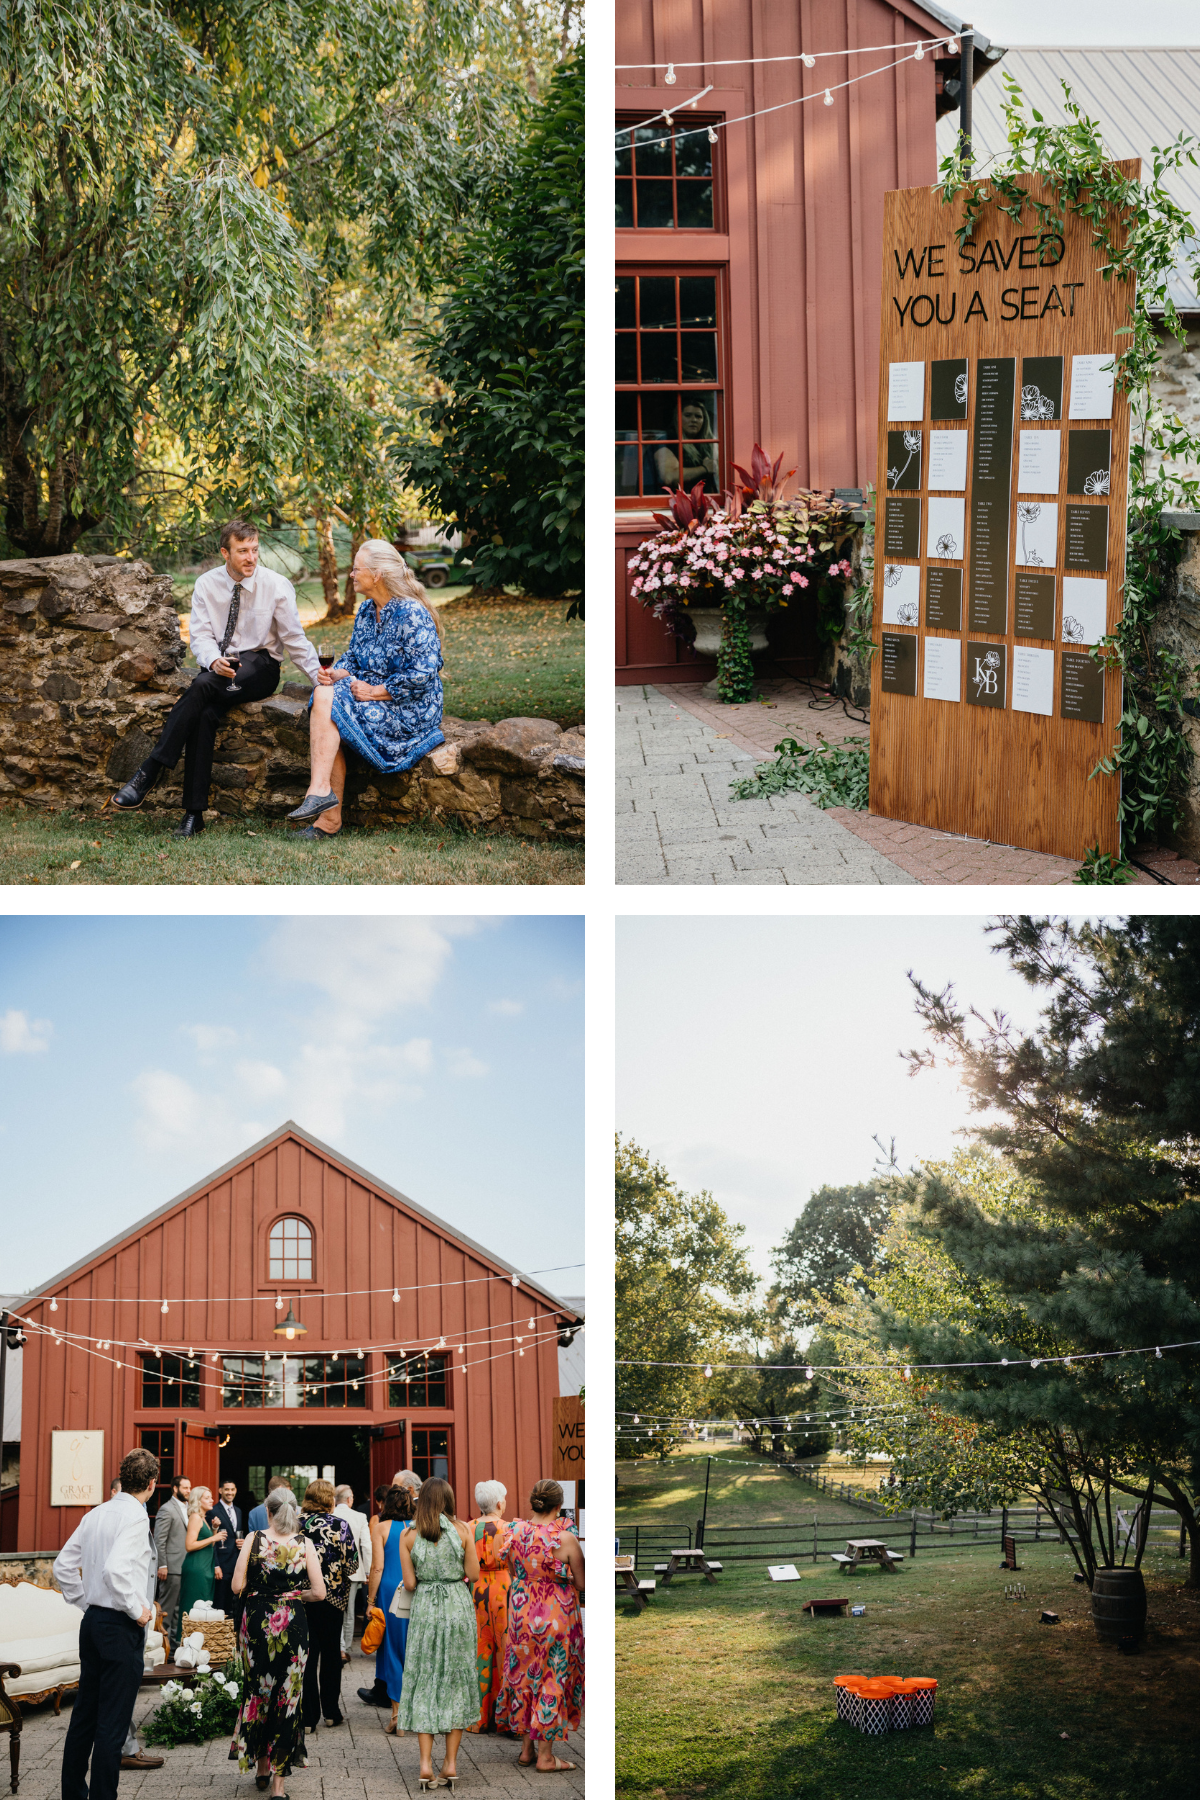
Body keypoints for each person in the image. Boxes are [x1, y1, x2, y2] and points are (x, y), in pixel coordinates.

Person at [111, 518, 322, 838]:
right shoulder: (206, 585)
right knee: (204, 712)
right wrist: (212, 659)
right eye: (242, 551)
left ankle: (151, 769)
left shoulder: (276, 585)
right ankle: (193, 816)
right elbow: (200, 636)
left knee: (202, 684)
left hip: (261, 666)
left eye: (254, 550)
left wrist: (320, 679)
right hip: (219, 667)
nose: (251, 558)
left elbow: (294, 639)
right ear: (225, 552)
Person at [287, 541, 445, 840]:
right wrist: (339, 672)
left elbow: (423, 675)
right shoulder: (366, 610)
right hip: (371, 694)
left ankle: (327, 816)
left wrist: (375, 692)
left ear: (377, 575)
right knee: (323, 694)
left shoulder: (411, 613)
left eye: (356, 569)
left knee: (328, 708)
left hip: (410, 708)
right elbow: (356, 657)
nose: (351, 575)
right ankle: (320, 794)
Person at [55, 1447, 163, 1800]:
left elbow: (62, 1567)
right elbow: (116, 1570)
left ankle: (73, 1793)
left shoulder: (96, 1513)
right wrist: (137, 1610)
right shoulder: (135, 1517)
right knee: (112, 1724)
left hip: (95, 1623)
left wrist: (88, 1603)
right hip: (118, 1626)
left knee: (85, 1712)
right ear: (151, 1483)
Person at [231, 1486, 324, 1800]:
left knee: (259, 1693)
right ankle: (279, 1787)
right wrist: (294, 1596)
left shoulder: (255, 1539)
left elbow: (236, 1585)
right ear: (294, 1512)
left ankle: (260, 1767)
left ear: (268, 1511)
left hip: (257, 1622)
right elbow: (320, 1593)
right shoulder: (304, 1543)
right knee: (288, 1698)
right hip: (294, 1624)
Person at [396, 1478, 480, 1790]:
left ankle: (424, 1764)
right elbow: (473, 1574)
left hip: (426, 1610)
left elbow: (410, 1584)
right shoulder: (462, 1531)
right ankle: (451, 1763)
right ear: (448, 1499)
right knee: (455, 1680)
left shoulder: (408, 1535)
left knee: (424, 1679)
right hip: (457, 1606)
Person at [496, 1479, 584, 1773]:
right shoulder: (565, 1539)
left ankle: (525, 1750)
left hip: (521, 1615)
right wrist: (564, 1580)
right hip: (556, 1618)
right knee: (552, 1678)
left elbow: (513, 1572)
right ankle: (546, 1756)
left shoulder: (513, 1532)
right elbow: (583, 1582)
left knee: (522, 1676)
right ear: (559, 1506)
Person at [298, 1479, 358, 1733]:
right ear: (329, 1499)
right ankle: (331, 1713)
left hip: (303, 1598)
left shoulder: (295, 1524)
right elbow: (353, 1565)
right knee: (332, 1654)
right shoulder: (340, 1525)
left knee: (307, 1655)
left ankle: (309, 1718)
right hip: (333, 1600)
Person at [358, 1484, 415, 1717]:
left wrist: (370, 1601)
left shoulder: (381, 1527)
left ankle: (396, 1706)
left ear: (386, 1504)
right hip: (413, 1586)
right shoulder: (417, 1528)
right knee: (411, 1643)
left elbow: (377, 1567)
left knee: (391, 1645)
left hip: (390, 1589)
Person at [468, 1480, 511, 1735]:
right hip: (504, 1589)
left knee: (480, 1651)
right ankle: (506, 1719)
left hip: (476, 1589)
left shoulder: (467, 1527)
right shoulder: (510, 1528)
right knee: (506, 1651)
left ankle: (479, 1719)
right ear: (498, 1503)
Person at [332, 1484, 372, 1663]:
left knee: (334, 1610)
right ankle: (345, 1649)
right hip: (355, 1571)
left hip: (332, 1571)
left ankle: (336, 1647)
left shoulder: (329, 1516)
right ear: (349, 1500)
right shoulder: (360, 1517)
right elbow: (366, 1545)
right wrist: (368, 1570)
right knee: (349, 1611)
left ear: (335, 1500)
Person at [153, 1473, 192, 1644]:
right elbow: (159, 1539)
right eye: (185, 1487)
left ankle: (175, 1647)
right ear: (175, 1489)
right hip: (171, 1567)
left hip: (186, 1566)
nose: (188, 1491)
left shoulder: (189, 1509)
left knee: (179, 1611)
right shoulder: (166, 1509)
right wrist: (162, 1564)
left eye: (190, 1488)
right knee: (166, 1609)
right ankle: (160, 1645)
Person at [178, 1486, 225, 1619]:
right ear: (198, 1501)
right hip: (196, 1568)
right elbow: (189, 1545)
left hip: (205, 1567)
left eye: (211, 1497)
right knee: (193, 1607)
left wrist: (214, 1529)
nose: (212, 1500)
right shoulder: (195, 1517)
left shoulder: (203, 1518)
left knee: (203, 1607)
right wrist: (213, 1537)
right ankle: (186, 1637)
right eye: (207, 1498)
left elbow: (210, 1544)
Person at [653, 400, 718, 493]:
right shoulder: (668, 440)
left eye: (698, 416)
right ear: (678, 418)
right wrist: (705, 469)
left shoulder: (708, 444)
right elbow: (669, 477)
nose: (694, 420)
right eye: (688, 415)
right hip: (676, 502)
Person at [209, 1480, 244, 1592]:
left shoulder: (238, 1511)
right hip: (221, 1563)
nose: (230, 1492)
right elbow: (210, 1539)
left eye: (232, 1489)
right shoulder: (213, 1511)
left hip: (236, 1563)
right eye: (227, 1489)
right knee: (220, 1601)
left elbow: (237, 1534)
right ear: (220, 1491)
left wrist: (242, 1542)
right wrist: (215, 1565)